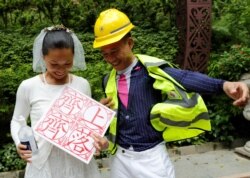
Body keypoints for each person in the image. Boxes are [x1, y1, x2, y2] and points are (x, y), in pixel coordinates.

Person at [91, 8, 250, 178]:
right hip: (119, 159)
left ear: (129, 43)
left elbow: (186, 77)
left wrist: (224, 85)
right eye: (105, 54)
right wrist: (101, 116)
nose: (110, 58)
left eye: (114, 51)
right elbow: (120, 119)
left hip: (151, 158)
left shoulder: (151, 70)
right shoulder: (108, 79)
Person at [10, 25, 106, 178]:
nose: (61, 69)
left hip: (78, 164)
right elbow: (17, 120)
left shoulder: (82, 84)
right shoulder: (29, 86)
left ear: (74, 57)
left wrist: (98, 140)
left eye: (67, 63)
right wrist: (18, 143)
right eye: (54, 64)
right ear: (43, 57)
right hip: (43, 163)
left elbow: (87, 126)